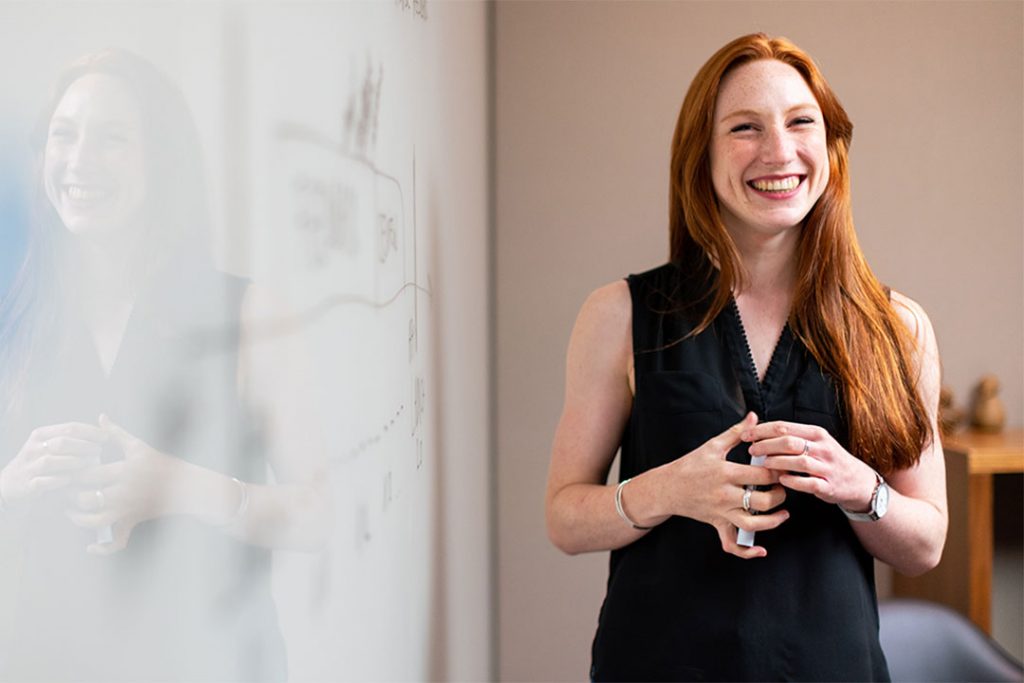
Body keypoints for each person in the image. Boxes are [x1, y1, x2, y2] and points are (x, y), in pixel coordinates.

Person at [545, 33, 947, 682]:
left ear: (831, 145)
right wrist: (667, 490)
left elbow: (926, 544)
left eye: (800, 122)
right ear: (700, 155)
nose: (779, 151)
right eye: (745, 127)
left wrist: (859, 488)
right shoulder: (618, 315)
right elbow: (565, 518)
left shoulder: (899, 328)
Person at [0, 49, 327, 682]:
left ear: (162, 161)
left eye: (113, 139)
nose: (79, 160)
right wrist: (10, 485)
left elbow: (316, 516)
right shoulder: (15, 322)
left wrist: (180, 487)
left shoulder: (249, 315)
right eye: (64, 135)